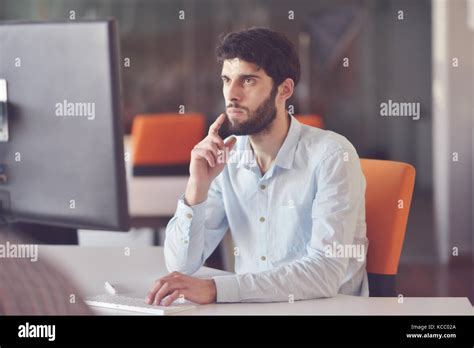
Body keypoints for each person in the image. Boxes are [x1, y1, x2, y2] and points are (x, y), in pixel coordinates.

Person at [146, 27, 369, 306]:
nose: (232, 95)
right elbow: (181, 264)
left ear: (284, 89)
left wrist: (217, 290)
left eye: (248, 81)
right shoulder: (226, 158)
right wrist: (196, 189)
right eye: (227, 80)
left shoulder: (333, 156)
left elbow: (324, 273)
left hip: (326, 310)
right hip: (252, 308)